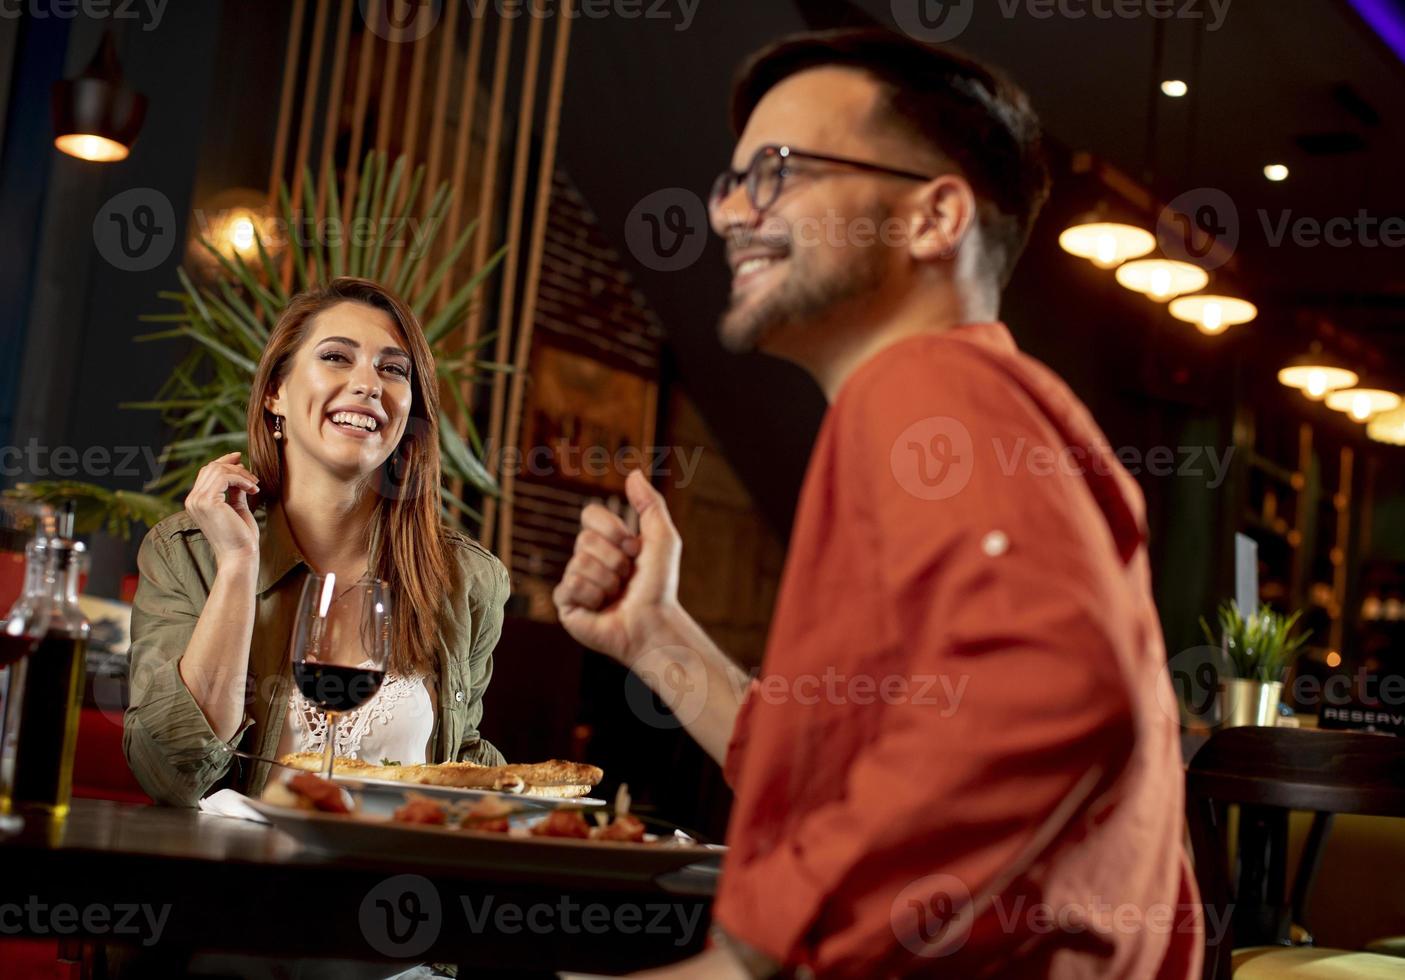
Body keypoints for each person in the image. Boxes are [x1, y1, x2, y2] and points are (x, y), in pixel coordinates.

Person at [553, 28, 1201, 978]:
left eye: (775, 171)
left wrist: (748, 953)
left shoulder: (923, 388)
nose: (727, 212)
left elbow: (1050, 683)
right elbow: (845, 775)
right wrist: (655, 634)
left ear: (933, 219)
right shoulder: (977, 407)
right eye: (730, 181)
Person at [125, 277, 509, 807]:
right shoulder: (186, 553)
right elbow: (171, 775)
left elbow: (460, 762)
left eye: (393, 369)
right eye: (336, 357)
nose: (368, 384)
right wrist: (238, 564)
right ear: (274, 394)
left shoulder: (469, 579)